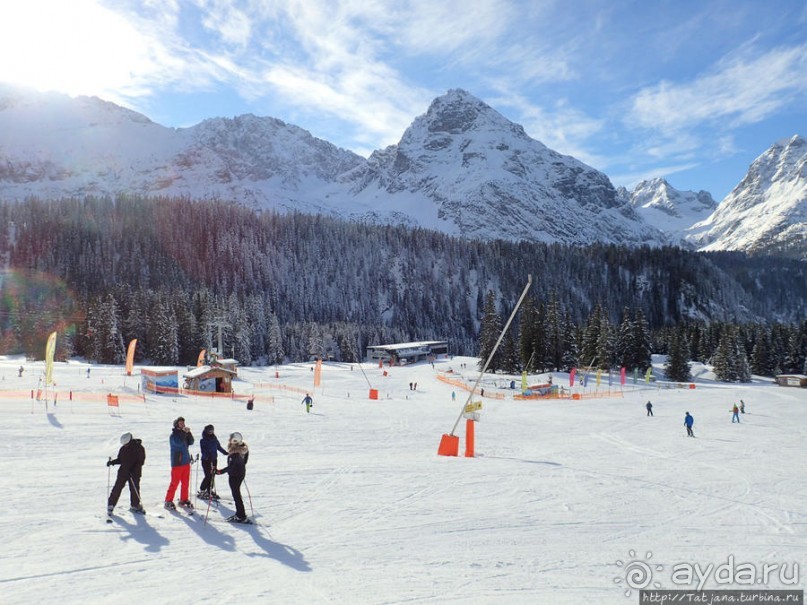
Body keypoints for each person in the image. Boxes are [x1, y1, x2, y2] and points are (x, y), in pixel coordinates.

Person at [107, 432, 146, 514]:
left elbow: (140, 462)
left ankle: (135, 505)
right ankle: (111, 504)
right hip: (123, 472)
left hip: (134, 473)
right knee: (117, 488)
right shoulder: (123, 449)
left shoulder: (139, 448)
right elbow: (120, 459)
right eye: (124, 444)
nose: (125, 445)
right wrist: (112, 462)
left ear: (130, 441)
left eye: (126, 444)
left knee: (134, 489)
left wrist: (133, 470)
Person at [217, 432, 250, 523]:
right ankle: (240, 514)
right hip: (240, 474)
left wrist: (219, 472)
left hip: (235, 476)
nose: (229, 440)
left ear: (234, 441)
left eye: (231, 439)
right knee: (237, 494)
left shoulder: (235, 453)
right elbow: (244, 461)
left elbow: (230, 467)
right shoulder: (243, 449)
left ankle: (241, 516)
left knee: (236, 495)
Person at [164, 417, 195, 511]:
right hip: (177, 463)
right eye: (181, 423)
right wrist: (185, 433)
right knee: (174, 483)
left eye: (183, 423)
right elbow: (178, 443)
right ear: (176, 425)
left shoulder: (183, 434)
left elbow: (191, 442)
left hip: (185, 461)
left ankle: (184, 499)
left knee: (185, 482)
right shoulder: (173, 436)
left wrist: (189, 433)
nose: (183, 425)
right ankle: (168, 500)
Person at [197, 424, 228, 500]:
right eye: (209, 431)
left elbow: (218, 447)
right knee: (208, 475)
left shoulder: (214, 439)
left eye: (212, 430)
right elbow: (203, 450)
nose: (211, 432)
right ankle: (202, 489)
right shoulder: (203, 440)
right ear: (206, 431)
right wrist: (208, 456)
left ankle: (210, 490)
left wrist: (225, 452)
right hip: (206, 460)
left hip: (214, 459)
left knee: (213, 475)